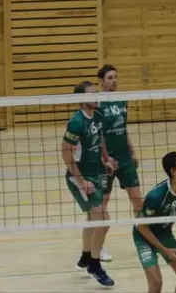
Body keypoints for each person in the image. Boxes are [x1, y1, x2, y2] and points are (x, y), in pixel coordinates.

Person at [62, 81, 115, 287]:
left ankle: (85, 256)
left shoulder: (99, 116)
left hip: (96, 173)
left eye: (96, 92)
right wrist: (82, 182)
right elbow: (66, 154)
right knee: (103, 220)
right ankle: (94, 264)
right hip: (80, 178)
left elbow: (99, 139)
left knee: (93, 219)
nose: (96, 96)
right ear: (82, 99)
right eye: (92, 94)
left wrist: (106, 159)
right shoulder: (76, 123)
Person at [96, 65, 144, 262]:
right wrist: (104, 157)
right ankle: (98, 247)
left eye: (116, 77)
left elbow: (123, 128)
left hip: (124, 157)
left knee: (137, 198)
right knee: (102, 203)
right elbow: (97, 133)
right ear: (101, 80)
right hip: (106, 160)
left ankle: (144, 237)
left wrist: (132, 150)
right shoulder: (96, 102)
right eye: (110, 77)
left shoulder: (123, 100)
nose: (114, 80)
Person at [133, 151, 176, 293]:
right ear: (173, 171)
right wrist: (165, 251)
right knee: (156, 284)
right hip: (144, 236)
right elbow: (141, 226)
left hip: (163, 233)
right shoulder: (156, 197)